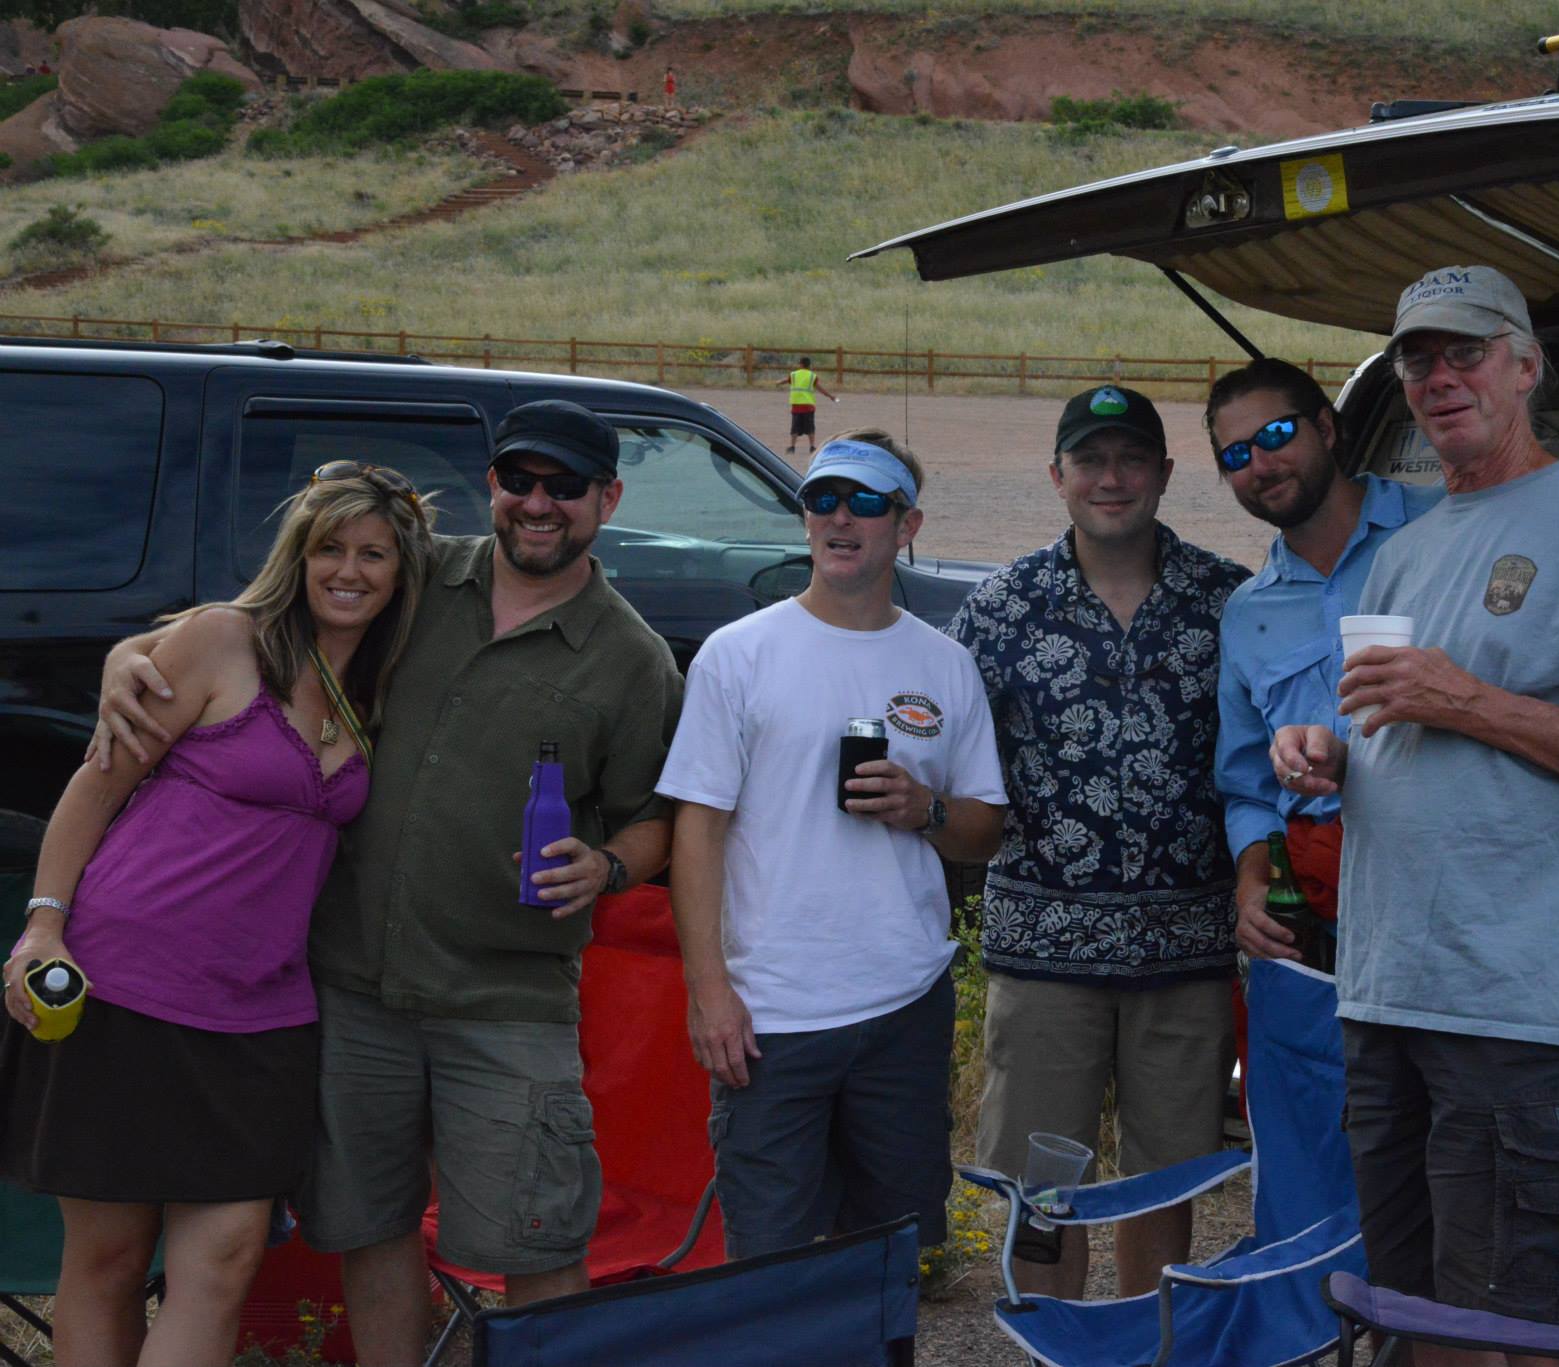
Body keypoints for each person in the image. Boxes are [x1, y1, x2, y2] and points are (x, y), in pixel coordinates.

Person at [96, 400, 684, 1367]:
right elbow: (252, 623)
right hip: (350, 987)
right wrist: (130, 655)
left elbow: (655, 816)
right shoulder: (411, 579)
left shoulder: (632, 660)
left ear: (608, 499)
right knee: (370, 1227)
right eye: (520, 480)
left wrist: (610, 863)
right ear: (492, 486)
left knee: (537, 1239)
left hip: (505, 1000)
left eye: (565, 486)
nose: (539, 503)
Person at [1274, 266, 1559, 1360]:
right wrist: (1329, 755)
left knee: (1510, 1325)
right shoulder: (1406, 552)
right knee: (1408, 1313)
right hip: (1386, 989)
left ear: (1524, 366)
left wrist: (1463, 698)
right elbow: (1404, 733)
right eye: (1417, 359)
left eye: (1465, 352)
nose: (1439, 377)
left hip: (1510, 1004)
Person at [2, 464, 436, 1367]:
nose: (348, 570)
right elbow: (96, 785)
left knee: (230, 1253)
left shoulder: (386, 684)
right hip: (123, 983)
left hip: (263, 1011)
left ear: (401, 571)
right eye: (329, 548)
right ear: (297, 556)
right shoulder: (223, 640)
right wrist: (43, 925)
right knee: (112, 1257)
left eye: (373, 553)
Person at [664, 429, 1006, 1261]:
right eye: (822, 499)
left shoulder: (945, 662)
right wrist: (709, 990)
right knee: (771, 1256)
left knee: (891, 1253)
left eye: (866, 502)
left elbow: (985, 831)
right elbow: (697, 828)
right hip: (771, 1014)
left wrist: (924, 808)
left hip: (903, 1002)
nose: (840, 517)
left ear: (907, 523)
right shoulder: (737, 655)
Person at [947, 384, 1248, 1298]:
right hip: (1044, 962)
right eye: (1090, 460)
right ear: (1057, 475)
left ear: (1164, 471)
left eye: (1130, 459)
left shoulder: (1230, 603)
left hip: (1186, 956)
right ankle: (1055, 1348)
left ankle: (1150, 1346)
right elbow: (947, 760)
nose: (1110, 478)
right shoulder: (1000, 609)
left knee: (1167, 1182)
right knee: (1042, 1195)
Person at [1208, 358, 1442, 960]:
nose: (1261, 464)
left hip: (1455, 892)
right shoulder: (1246, 614)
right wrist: (1253, 885)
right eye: (1236, 455)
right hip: (1326, 921)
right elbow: (1248, 790)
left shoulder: (1444, 528)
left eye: (1276, 434)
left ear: (1327, 428)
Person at [776, 356, 837, 457]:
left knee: (795, 427)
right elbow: (820, 388)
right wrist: (830, 396)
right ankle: (812, 446)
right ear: (809, 365)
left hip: (796, 406)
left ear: (801, 364)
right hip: (808, 406)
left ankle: (792, 447)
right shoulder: (812, 376)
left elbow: (785, 380)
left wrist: (778, 382)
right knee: (810, 427)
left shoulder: (794, 375)